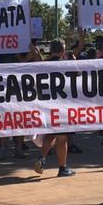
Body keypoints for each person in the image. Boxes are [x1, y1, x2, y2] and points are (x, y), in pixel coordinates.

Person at [33, 39, 75, 177]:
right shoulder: (67, 65)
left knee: (51, 133)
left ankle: (44, 158)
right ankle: (61, 167)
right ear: (63, 52)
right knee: (61, 137)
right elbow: (80, 77)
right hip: (62, 105)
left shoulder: (42, 65)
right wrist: (75, 63)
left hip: (46, 104)